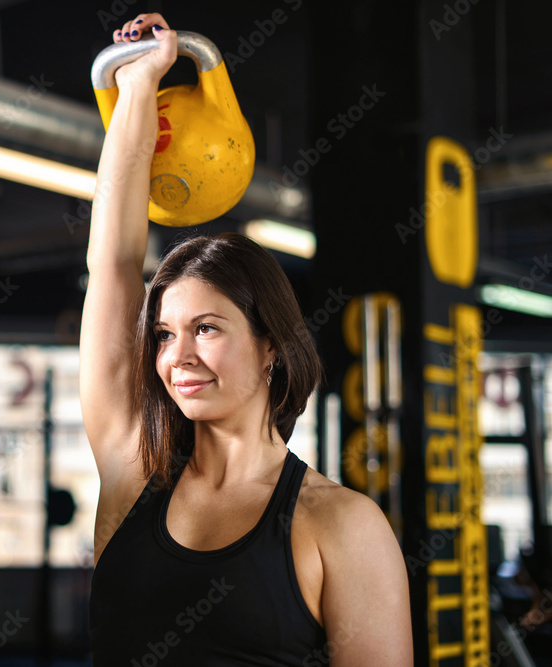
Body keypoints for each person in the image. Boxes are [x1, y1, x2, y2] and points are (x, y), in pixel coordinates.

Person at [80, 13, 414, 666]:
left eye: (207, 328)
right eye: (165, 334)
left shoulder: (340, 526)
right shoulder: (131, 470)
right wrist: (138, 87)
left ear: (271, 345)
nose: (178, 356)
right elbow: (115, 263)